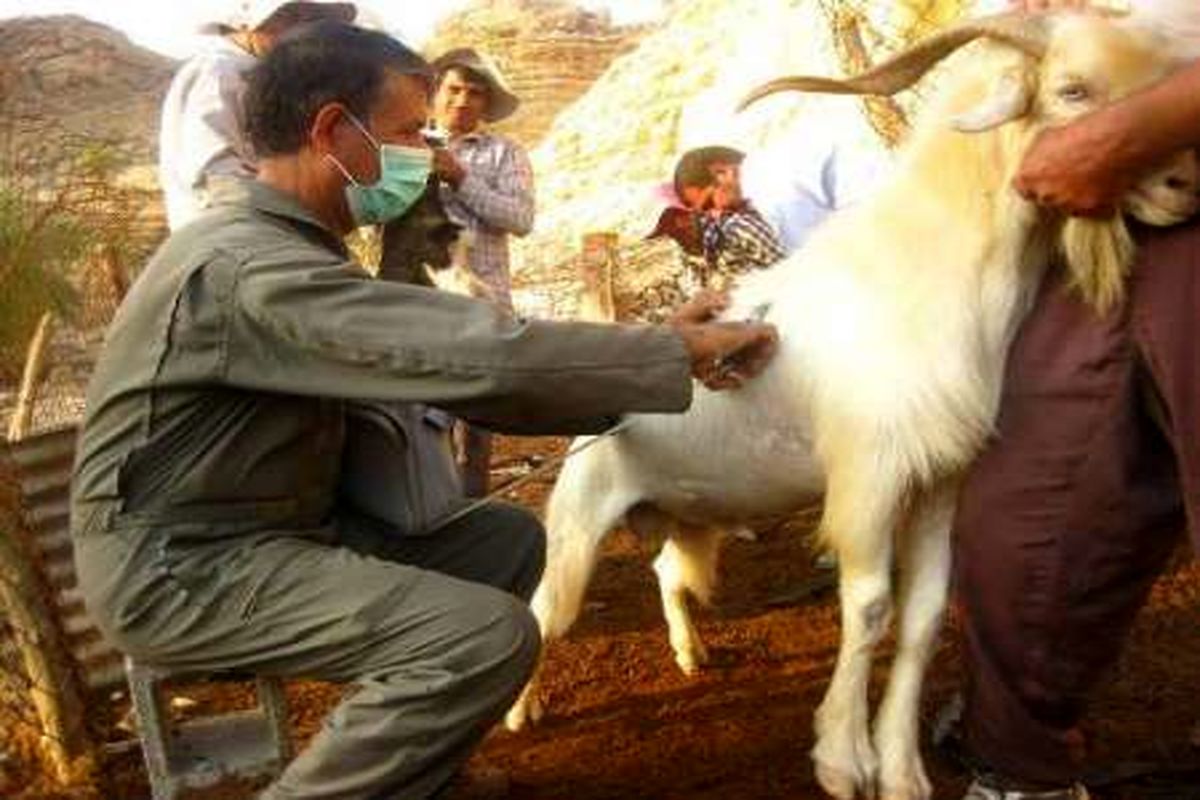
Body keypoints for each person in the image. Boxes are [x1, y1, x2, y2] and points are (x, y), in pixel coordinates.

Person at [70, 23, 777, 800]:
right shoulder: (248, 267)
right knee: (484, 640)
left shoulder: (286, 250)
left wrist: (656, 354)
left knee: (501, 541)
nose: (424, 153)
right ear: (334, 132)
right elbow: (480, 354)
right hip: (180, 567)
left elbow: (474, 376)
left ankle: (418, 772)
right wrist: (670, 353)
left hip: (267, 530)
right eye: (409, 131)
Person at [951, 2, 1200, 798]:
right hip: (1102, 205)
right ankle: (1019, 761)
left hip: (1149, 152)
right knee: (1026, 503)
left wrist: (1150, 120)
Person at [425, 47, 533, 497]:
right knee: (421, 417)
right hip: (420, 305)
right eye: (453, 89)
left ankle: (472, 513)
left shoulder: (505, 153)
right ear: (435, 93)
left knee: (475, 421)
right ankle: (429, 507)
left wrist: (460, 178)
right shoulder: (406, 144)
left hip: (483, 308)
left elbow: (521, 219)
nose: (462, 100)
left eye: (474, 92)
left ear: (486, 104)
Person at [158, 0, 356, 230]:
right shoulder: (219, 72)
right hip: (233, 239)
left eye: (312, 18)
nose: (302, 29)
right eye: (290, 16)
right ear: (244, 23)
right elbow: (218, 177)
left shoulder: (266, 73)